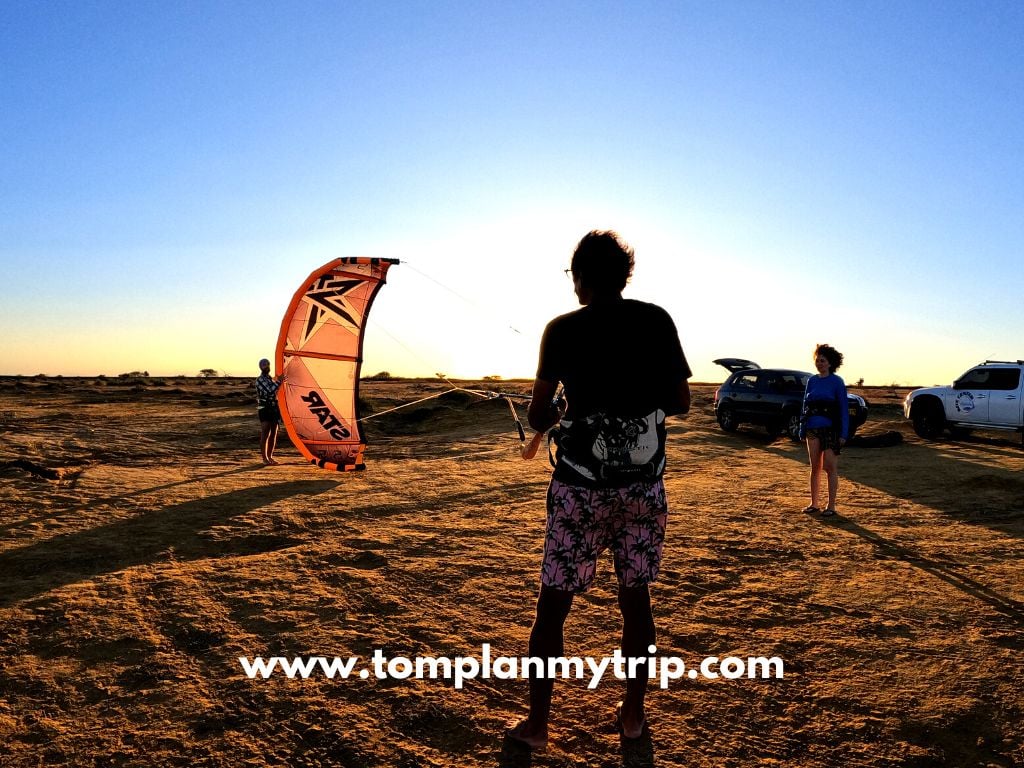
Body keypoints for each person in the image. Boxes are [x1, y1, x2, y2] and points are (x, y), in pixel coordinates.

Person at [507, 230, 691, 750]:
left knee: (552, 607)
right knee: (636, 602)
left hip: (579, 491)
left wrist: (564, 407)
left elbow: (539, 416)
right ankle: (632, 717)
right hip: (642, 489)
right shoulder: (656, 319)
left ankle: (538, 726)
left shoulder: (561, 329)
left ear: (583, 278)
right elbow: (681, 402)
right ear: (624, 276)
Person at [799, 344, 849, 516]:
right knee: (815, 467)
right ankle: (814, 503)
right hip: (812, 428)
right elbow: (805, 406)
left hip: (830, 430)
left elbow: (843, 409)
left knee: (830, 467)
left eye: (823, 360)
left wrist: (844, 433)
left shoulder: (837, 382)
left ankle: (831, 506)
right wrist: (802, 427)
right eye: (817, 360)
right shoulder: (812, 381)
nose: (819, 363)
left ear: (830, 363)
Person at [255, 358, 285, 465]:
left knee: (274, 433)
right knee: (265, 432)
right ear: (260, 367)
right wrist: (279, 381)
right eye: (264, 365)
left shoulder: (271, 379)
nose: (266, 366)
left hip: (273, 407)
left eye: (267, 364)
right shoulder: (260, 380)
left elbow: (276, 391)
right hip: (264, 408)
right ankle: (265, 458)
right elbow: (270, 391)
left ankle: (270, 457)